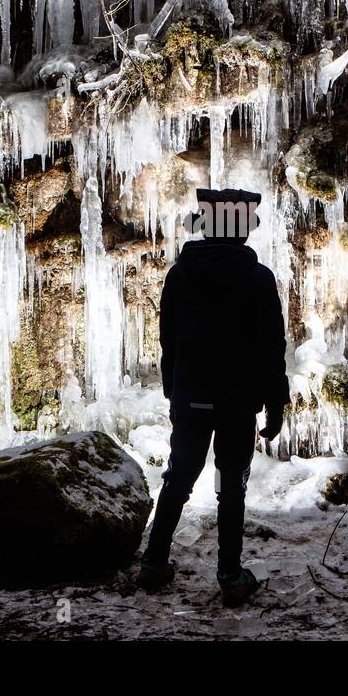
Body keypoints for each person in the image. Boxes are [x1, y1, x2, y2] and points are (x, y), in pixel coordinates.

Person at [136, 188, 290, 606]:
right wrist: (276, 402)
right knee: (231, 485)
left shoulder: (179, 274)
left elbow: (168, 339)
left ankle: (152, 564)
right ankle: (229, 575)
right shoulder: (257, 278)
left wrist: (175, 391)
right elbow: (270, 346)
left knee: (178, 477)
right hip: (237, 401)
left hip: (190, 397)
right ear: (241, 231)